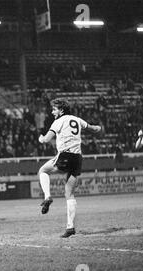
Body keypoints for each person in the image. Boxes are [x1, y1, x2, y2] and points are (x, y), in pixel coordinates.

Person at [37, 98, 102, 238]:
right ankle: (70, 227)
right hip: (77, 158)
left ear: (61, 110)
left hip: (65, 155)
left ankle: (47, 196)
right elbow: (91, 128)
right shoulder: (77, 119)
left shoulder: (59, 121)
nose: (52, 111)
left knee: (43, 170)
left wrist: (41, 138)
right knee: (70, 194)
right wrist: (98, 128)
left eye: (54, 109)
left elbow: (47, 139)